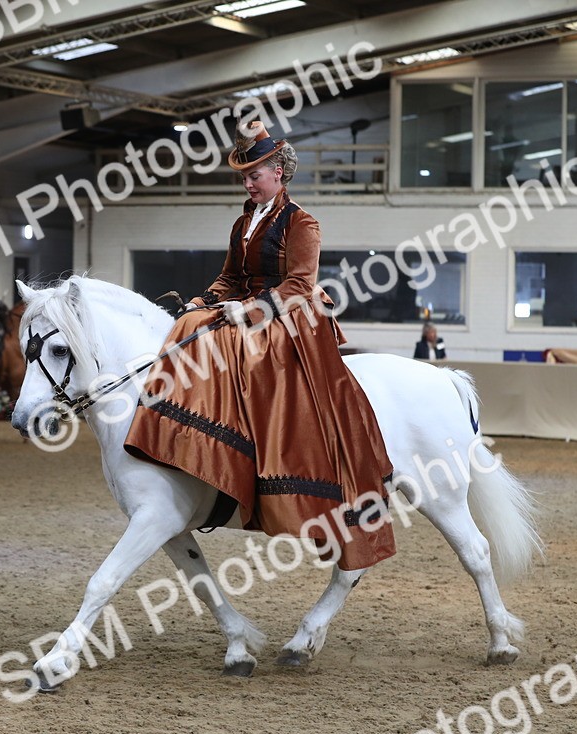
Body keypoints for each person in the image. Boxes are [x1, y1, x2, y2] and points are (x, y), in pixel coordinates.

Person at [123, 121, 396, 571]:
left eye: (255, 175)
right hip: (241, 305)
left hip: (290, 316)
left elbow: (299, 284)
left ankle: (258, 454)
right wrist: (204, 299)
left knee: (248, 356)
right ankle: (190, 435)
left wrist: (250, 312)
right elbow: (230, 277)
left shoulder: (302, 222)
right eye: (245, 177)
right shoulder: (241, 222)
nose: (248, 183)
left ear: (279, 174)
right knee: (190, 323)